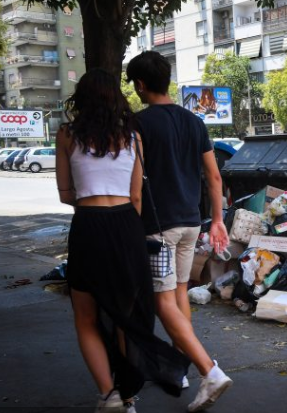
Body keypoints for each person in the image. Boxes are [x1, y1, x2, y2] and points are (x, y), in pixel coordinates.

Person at [55, 68, 190, 413]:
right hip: (127, 227)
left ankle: (108, 395)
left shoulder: (67, 135)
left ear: (80, 100)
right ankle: (128, 398)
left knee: (86, 318)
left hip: (88, 227)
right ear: (116, 99)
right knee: (126, 316)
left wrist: (89, 199)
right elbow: (137, 198)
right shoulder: (132, 136)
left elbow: (65, 195)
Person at [126, 51, 232, 413]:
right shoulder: (194, 121)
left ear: (141, 85)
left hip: (158, 228)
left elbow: (135, 184)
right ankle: (180, 368)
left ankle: (208, 371)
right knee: (180, 295)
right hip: (191, 223)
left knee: (162, 301)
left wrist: (129, 227)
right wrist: (217, 219)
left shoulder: (137, 124)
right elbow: (214, 176)